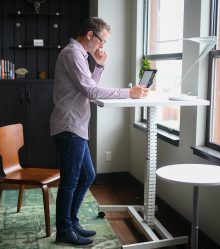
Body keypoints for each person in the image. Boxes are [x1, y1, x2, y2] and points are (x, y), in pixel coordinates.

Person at [50, 17, 149, 247]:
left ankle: (71, 222)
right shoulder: (72, 54)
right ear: (89, 35)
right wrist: (129, 93)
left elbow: (87, 89)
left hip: (76, 126)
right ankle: (64, 230)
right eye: (102, 40)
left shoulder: (80, 56)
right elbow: (91, 92)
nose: (102, 46)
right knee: (70, 181)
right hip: (69, 125)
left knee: (87, 175)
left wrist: (100, 66)